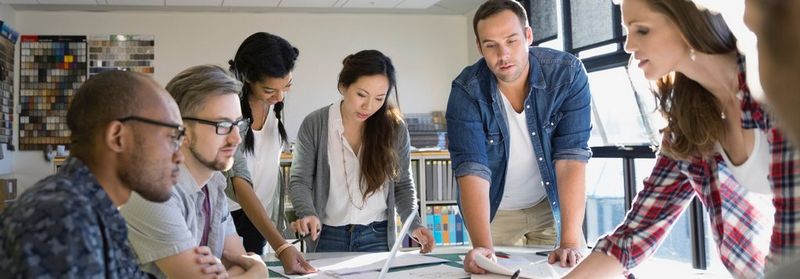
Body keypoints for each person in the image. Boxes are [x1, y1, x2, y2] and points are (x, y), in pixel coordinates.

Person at [565, 1, 799, 278]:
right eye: (627, 31)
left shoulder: (775, 86)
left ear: (689, 23)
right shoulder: (689, 122)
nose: (628, 46)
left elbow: (791, 231)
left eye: (641, 30)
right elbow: (632, 237)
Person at [0, 71, 222, 277]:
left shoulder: (100, 213)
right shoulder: (62, 217)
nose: (179, 156)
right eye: (171, 137)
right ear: (118, 137)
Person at [445, 0, 592, 273]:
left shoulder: (567, 74)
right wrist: (482, 246)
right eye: (491, 45)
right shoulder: (466, 91)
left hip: (548, 206)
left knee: (566, 270)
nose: (503, 55)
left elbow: (571, 157)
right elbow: (471, 169)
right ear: (479, 47)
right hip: (496, 212)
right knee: (494, 274)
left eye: (511, 41)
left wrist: (571, 242)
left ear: (528, 36)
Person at [120, 65, 267, 278]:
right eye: (223, 125)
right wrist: (259, 272)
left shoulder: (213, 184)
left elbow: (239, 260)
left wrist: (237, 273)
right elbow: (246, 267)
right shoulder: (152, 192)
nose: (236, 138)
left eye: (238, 124)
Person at [288, 49, 434, 253]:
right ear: (343, 86)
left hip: (378, 235)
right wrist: (307, 212)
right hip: (327, 235)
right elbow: (300, 180)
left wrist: (414, 224)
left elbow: (402, 185)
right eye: (361, 95)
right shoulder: (316, 124)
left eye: (379, 98)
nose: (368, 106)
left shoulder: (394, 128)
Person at [226, 32, 315, 274]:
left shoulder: (273, 105)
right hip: (231, 216)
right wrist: (282, 245)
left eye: (287, 86)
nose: (280, 96)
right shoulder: (229, 109)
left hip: (260, 216)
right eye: (269, 90)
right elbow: (238, 182)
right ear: (247, 78)